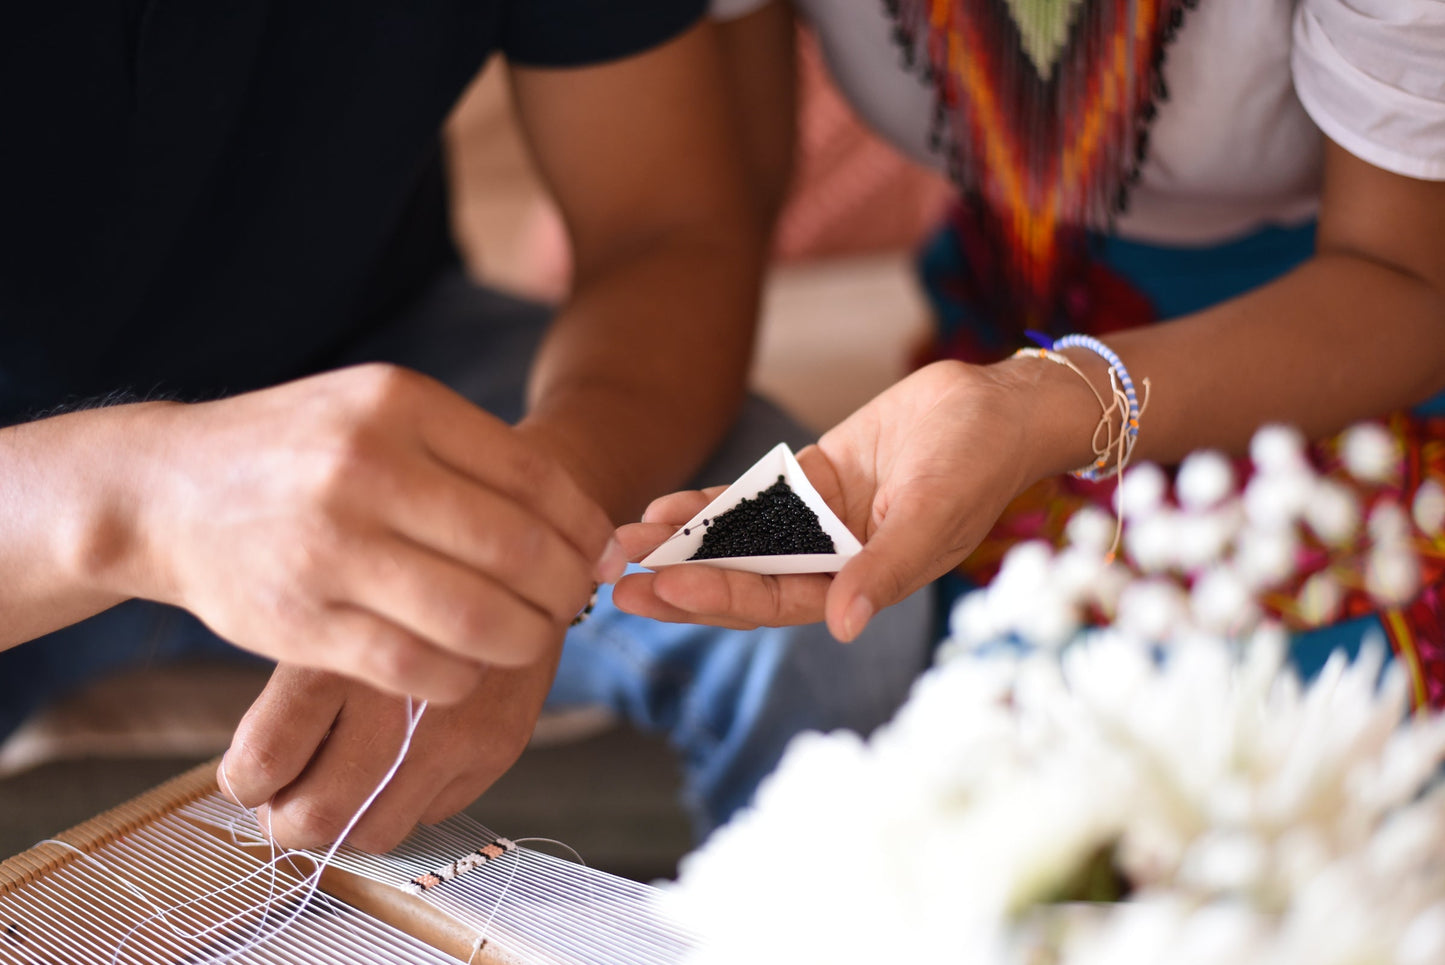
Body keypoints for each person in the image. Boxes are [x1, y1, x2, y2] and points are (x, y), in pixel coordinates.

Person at [0, 3, 933, 851]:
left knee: (823, 588)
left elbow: (663, 231)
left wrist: (535, 520)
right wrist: (137, 504)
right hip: (26, 491)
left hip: (381, 355)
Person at [615, 0, 1445, 702]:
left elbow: (1408, 284)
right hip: (1002, 334)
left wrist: (1044, 403)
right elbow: (700, 223)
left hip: (1335, 347)